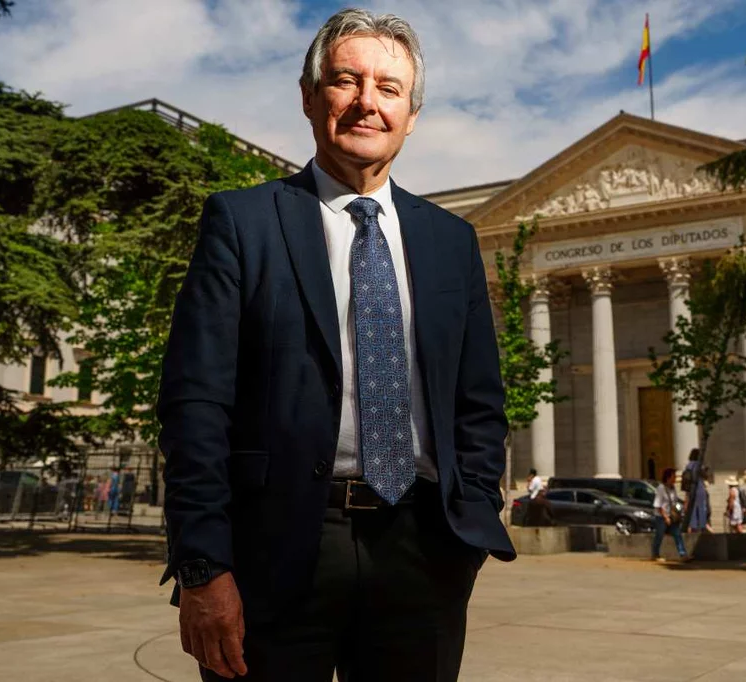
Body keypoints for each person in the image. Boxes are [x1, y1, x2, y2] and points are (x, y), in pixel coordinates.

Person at [157, 10, 515, 681]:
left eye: (388, 88)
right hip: (277, 551)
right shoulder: (242, 222)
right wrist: (204, 566)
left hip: (420, 555)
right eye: (346, 81)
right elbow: (195, 404)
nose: (366, 102)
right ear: (308, 95)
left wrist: (467, 529)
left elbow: (480, 403)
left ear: (411, 114)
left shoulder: (451, 242)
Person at [651, 468, 687, 562]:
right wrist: (665, 517)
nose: (675, 478)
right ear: (668, 477)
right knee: (659, 535)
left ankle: (683, 554)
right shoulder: (660, 488)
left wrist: (680, 510)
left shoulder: (673, 488)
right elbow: (658, 505)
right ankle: (655, 554)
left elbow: (674, 502)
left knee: (677, 534)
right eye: (673, 476)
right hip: (661, 517)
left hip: (672, 515)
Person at [682, 449, 711, 533]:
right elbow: (705, 476)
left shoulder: (688, 466)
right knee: (701, 512)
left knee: (692, 514)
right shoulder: (699, 465)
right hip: (700, 491)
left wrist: (686, 498)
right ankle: (702, 529)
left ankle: (693, 531)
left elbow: (686, 482)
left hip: (691, 490)